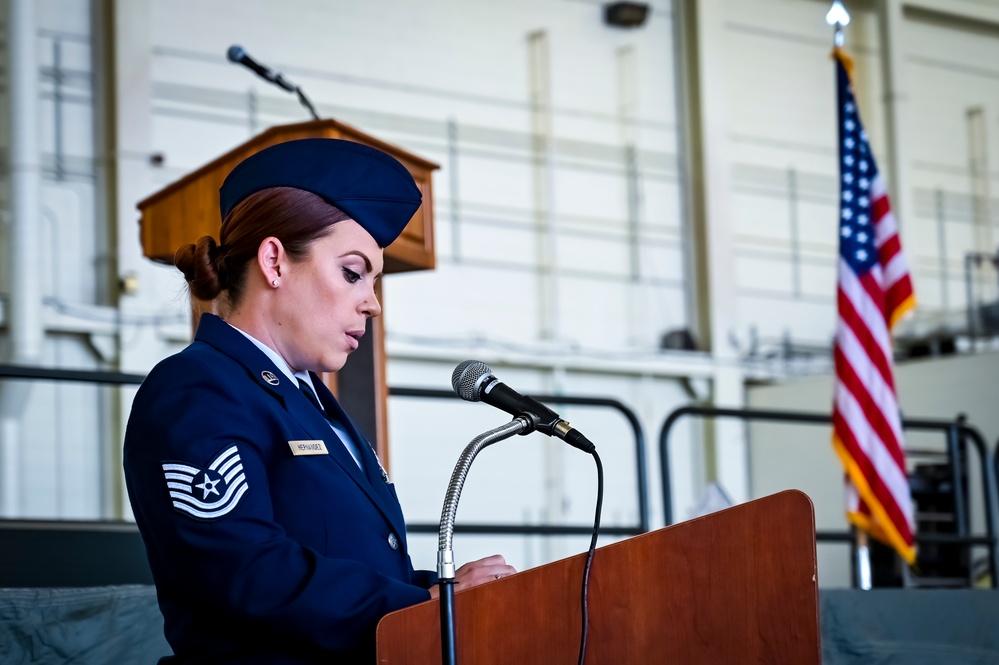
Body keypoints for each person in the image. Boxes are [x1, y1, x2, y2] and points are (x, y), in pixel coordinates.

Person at [123, 138, 515, 664]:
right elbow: (244, 570)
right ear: (274, 261)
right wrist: (423, 603)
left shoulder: (307, 400)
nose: (372, 303)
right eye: (353, 273)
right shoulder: (196, 388)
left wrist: (445, 593)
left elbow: (356, 564)